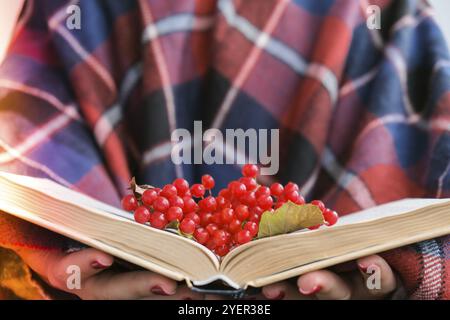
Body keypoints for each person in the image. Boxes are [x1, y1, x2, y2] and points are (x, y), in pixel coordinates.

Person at [0, 0, 449, 300]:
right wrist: (40, 249)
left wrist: (411, 273)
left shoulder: (393, 16)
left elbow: (433, 203)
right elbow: (24, 166)